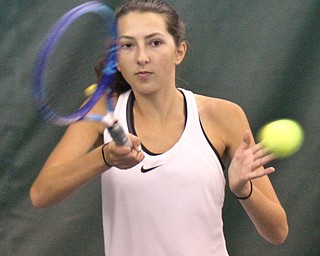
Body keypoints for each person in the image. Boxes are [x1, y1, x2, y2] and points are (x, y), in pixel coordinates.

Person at [30, 0, 288, 255]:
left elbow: (277, 232)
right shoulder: (100, 110)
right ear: (117, 59)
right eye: (128, 46)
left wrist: (245, 190)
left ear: (179, 51)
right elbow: (41, 194)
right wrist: (105, 156)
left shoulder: (224, 115)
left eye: (155, 42)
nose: (142, 57)